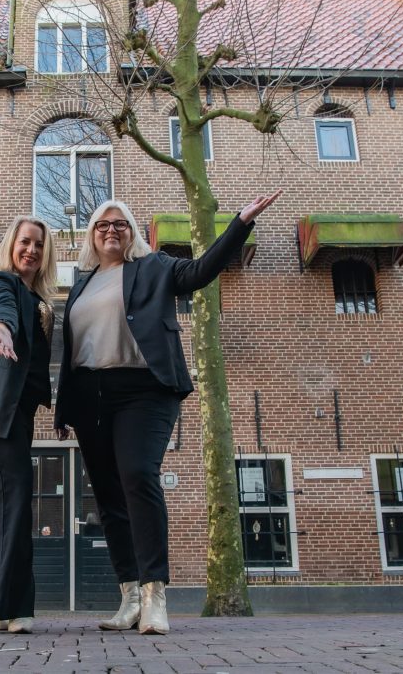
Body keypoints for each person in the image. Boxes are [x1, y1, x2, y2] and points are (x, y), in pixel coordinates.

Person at [54, 193, 281, 635]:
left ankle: (156, 593)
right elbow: (72, 351)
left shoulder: (154, 267)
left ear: (132, 231)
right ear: (92, 235)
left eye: (120, 224)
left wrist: (239, 224)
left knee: (138, 475)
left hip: (144, 388)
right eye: (103, 225)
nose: (111, 231)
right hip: (91, 397)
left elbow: (200, 272)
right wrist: (65, 407)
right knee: (107, 496)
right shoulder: (82, 281)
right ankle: (130, 596)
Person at [0, 216, 57, 634]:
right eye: (25, 242)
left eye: (39, 244)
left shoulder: (35, 294)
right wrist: (2, 330)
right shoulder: (2, 283)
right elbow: (4, 312)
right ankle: (9, 607)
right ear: (12, 245)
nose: (32, 250)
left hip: (17, 413)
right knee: (15, 501)